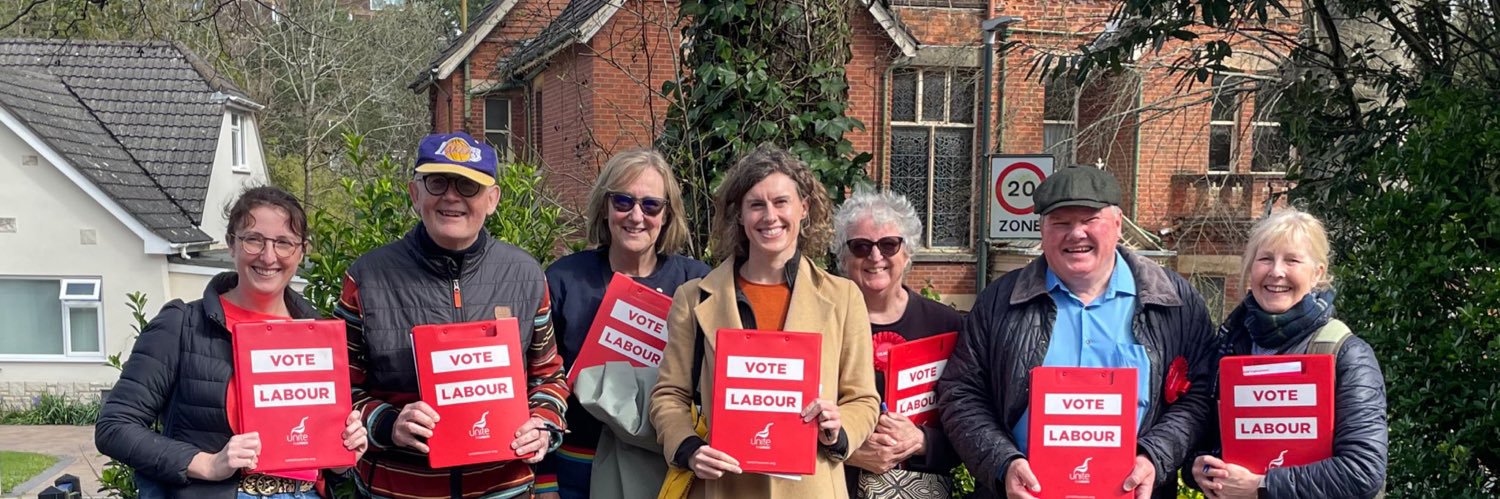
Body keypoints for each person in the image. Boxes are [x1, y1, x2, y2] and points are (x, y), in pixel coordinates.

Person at [937, 165, 1218, 499]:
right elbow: (961, 393)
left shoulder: (1175, 303)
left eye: (1089, 220)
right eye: (1061, 223)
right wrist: (1003, 463)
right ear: (1042, 230)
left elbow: (1201, 393)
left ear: (1117, 224)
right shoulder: (999, 302)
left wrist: (1155, 454)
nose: (1076, 234)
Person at [334, 132, 569, 498]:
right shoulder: (367, 278)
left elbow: (549, 376)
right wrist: (389, 424)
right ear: (415, 193)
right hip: (400, 489)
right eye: (437, 182)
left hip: (502, 489)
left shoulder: (525, 275)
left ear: (492, 199)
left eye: (468, 185)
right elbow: (340, 390)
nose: (451, 196)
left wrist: (543, 425)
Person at [97, 186, 368, 498]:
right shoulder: (182, 325)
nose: (268, 257)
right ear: (231, 244)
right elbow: (114, 427)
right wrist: (208, 464)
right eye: (254, 240)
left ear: (301, 250)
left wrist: (343, 450)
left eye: (284, 243)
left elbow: (323, 454)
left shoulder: (319, 335)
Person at [650, 144, 880, 498]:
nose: (769, 216)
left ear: (804, 207)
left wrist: (840, 427)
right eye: (756, 204)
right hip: (723, 486)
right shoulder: (693, 298)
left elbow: (863, 399)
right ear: (739, 215)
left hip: (812, 487)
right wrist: (689, 447)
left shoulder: (844, 298)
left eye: (781, 202)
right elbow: (669, 395)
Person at [535, 148, 710, 499]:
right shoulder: (564, 280)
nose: (635, 216)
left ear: (667, 214)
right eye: (623, 201)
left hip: (666, 466)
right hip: (577, 467)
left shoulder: (697, 284)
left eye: (650, 205)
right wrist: (544, 479)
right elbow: (536, 377)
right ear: (604, 206)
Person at [1188, 208, 1387, 499]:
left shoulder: (1347, 354)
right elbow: (1203, 442)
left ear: (1318, 273)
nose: (1276, 271)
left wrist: (1261, 485)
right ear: (1249, 268)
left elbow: (1363, 471)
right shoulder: (1228, 347)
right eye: (1265, 258)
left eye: (1292, 260)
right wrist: (1199, 469)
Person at [830, 187, 963, 498]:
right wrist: (844, 448)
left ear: (908, 252)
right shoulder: (822, 322)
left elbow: (970, 423)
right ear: (843, 256)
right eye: (861, 246)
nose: (876, 257)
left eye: (889, 244)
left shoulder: (946, 325)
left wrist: (922, 441)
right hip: (837, 487)